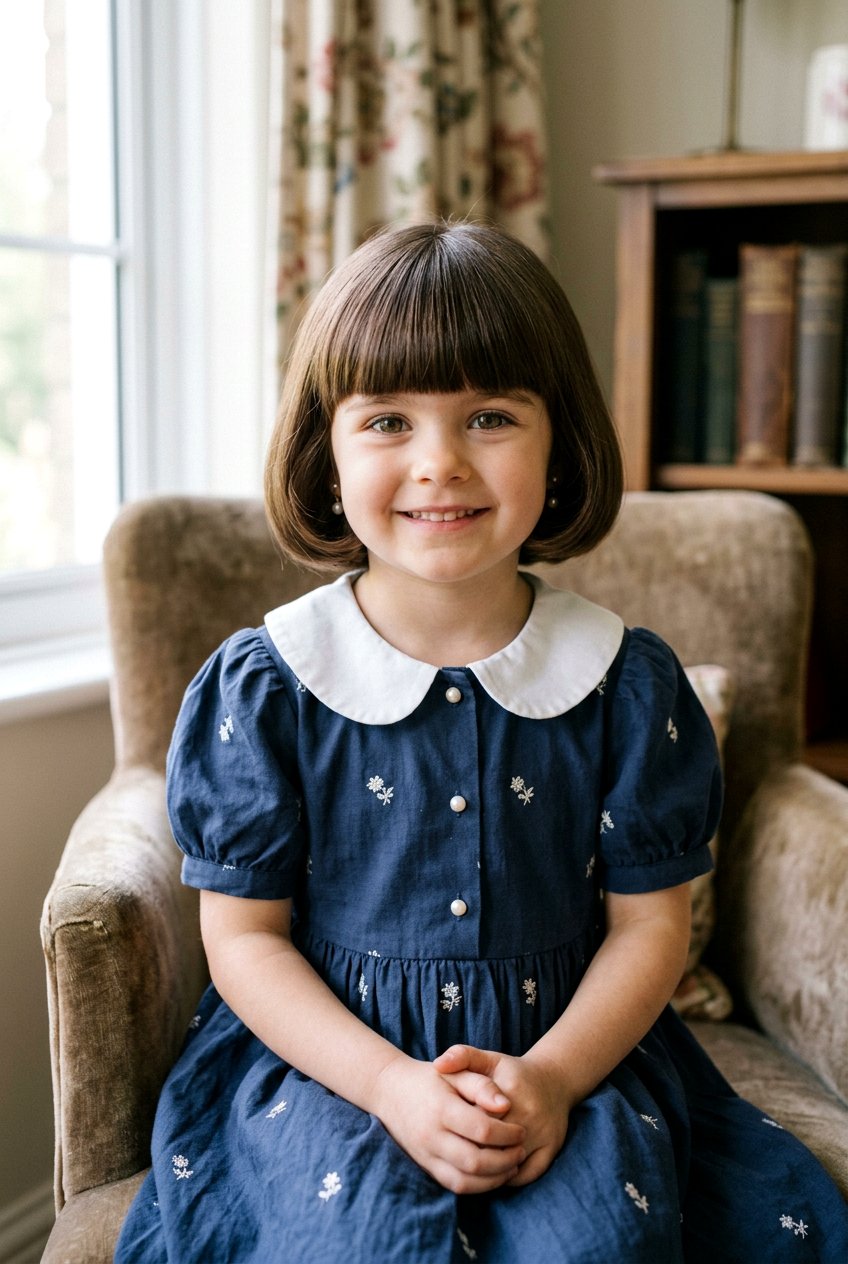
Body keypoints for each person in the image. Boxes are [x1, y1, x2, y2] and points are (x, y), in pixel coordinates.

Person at [116, 221, 848, 1263]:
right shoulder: (269, 684)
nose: (440, 463)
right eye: (387, 421)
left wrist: (550, 1078)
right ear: (326, 455)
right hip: (332, 1070)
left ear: (560, 447)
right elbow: (242, 940)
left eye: (490, 417)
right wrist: (388, 1084)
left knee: (595, 1245)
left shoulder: (627, 682)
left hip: (570, 1058)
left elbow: (649, 928)